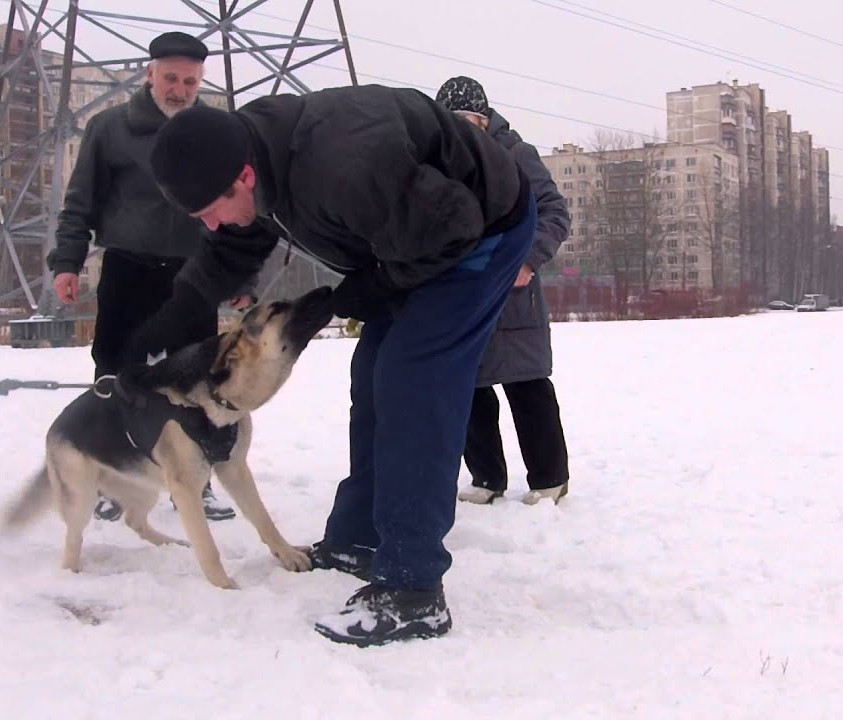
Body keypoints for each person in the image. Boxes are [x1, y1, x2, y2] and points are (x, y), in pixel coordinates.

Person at [129, 84, 537, 647]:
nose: (213, 225)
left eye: (211, 211)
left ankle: (413, 591)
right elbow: (237, 240)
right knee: (373, 374)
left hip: (477, 232)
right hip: (410, 234)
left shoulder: (345, 166)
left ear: (243, 178)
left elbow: (453, 229)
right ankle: (360, 538)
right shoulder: (249, 152)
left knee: (412, 381)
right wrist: (174, 319)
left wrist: (366, 290)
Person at [46, 31, 243, 524]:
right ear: (150, 73)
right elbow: (80, 202)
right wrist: (67, 262)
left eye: (190, 81)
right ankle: (112, 477)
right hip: (129, 270)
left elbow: (242, 212)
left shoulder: (214, 131)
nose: (179, 89)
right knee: (116, 374)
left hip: (193, 274)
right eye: (171, 78)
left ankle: (196, 481)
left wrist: (239, 277)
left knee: (199, 380)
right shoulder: (110, 128)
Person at [435, 76, 572, 506]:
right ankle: (486, 477)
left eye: (470, 121)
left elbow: (554, 210)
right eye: (453, 122)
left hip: (515, 293)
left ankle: (550, 479)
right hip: (462, 292)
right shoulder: (438, 160)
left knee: (526, 385)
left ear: (486, 118)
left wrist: (528, 259)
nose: (463, 130)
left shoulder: (516, 154)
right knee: (469, 388)